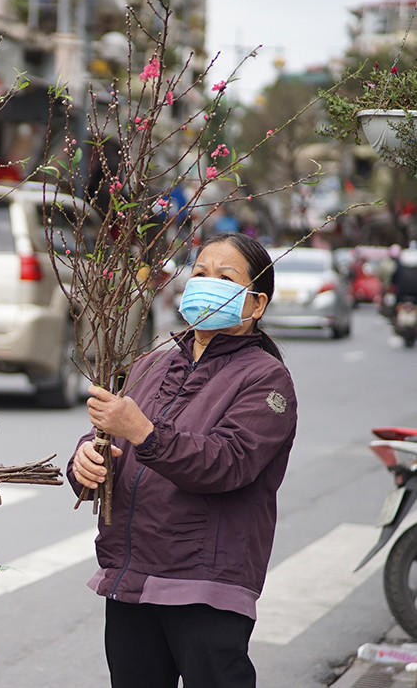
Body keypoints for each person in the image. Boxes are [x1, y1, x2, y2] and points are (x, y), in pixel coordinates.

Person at [68, 232, 297, 688]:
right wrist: (87, 461)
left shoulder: (267, 379)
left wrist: (144, 432)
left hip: (205, 584)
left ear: (256, 304)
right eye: (200, 273)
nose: (207, 284)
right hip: (131, 577)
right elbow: (112, 436)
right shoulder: (151, 364)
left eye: (225, 278)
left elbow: (228, 463)